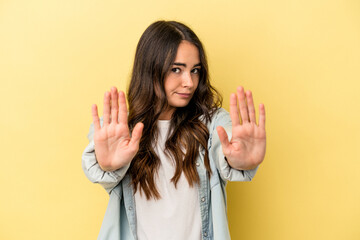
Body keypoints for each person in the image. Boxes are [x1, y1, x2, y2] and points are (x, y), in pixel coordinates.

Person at [82, 20, 266, 240]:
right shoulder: (118, 131)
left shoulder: (211, 123)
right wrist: (108, 166)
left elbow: (226, 146)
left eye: (195, 70)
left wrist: (240, 160)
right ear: (151, 70)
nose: (189, 82)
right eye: (176, 69)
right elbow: (104, 167)